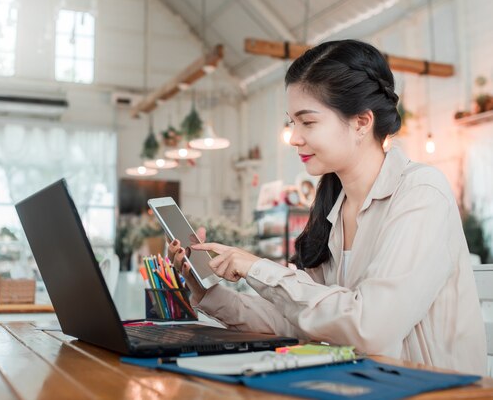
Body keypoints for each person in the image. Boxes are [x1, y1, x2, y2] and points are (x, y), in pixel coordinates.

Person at [168, 39, 487, 375]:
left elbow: (370, 329)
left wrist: (257, 268)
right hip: (361, 384)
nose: (293, 137)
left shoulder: (421, 192)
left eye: (308, 122)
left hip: (431, 390)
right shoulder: (334, 209)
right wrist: (202, 284)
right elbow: (298, 320)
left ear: (362, 122)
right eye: (292, 122)